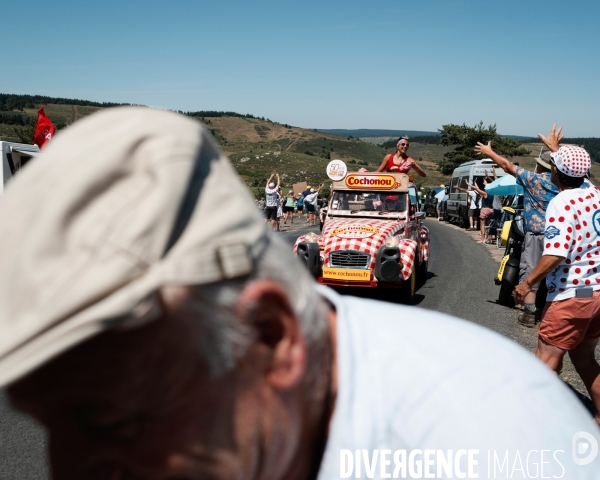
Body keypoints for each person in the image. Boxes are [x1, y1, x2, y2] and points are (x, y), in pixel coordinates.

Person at [0, 108, 598, 479]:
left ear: (272, 334)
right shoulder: (246, 422)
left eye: (110, 421)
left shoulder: (489, 442)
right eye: (50, 424)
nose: (73, 470)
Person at [513, 137, 600, 425]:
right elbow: (575, 176)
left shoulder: (561, 202)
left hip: (572, 295)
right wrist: (557, 151)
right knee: (585, 360)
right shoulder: (594, 194)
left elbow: (556, 254)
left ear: (554, 171)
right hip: (597, 293)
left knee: (545, 362)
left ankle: (540, 426)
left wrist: (527, 284)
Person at [475, 128, 559, 326]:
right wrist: (556, 148)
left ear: (542, 167)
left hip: (537, 233)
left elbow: (507, 166)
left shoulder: (533, 180)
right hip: (561, 235)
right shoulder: (564, 185)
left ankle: (530, 313)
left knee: (530, 269)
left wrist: (490, 153)